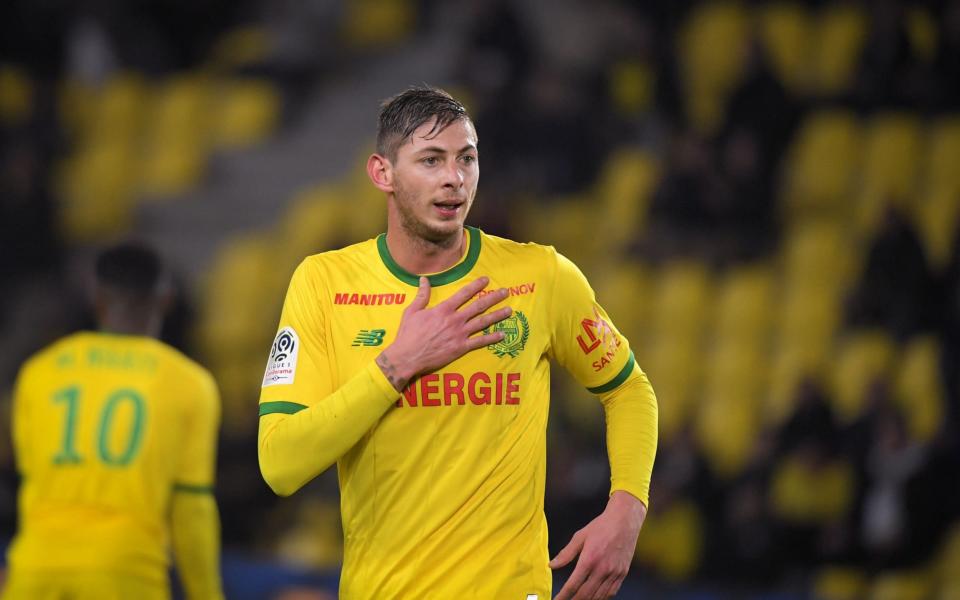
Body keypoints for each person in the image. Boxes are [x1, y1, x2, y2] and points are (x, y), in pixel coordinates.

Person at [258, 86, 658, 599]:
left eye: (466, 159)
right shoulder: (325, 283)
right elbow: (279, 465)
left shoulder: (541, 276)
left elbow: (628, 390)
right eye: (431, 160)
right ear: (383, 173)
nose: (454, 178)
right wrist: (395, 368)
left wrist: (627, 507)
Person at [3, 243, 223, 600]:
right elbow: (191, 508)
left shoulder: (39, 372)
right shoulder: (189, 383)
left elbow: (28, 487)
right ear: (165, 299)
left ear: (97, 299)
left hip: (36, 565)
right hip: (124, 569)